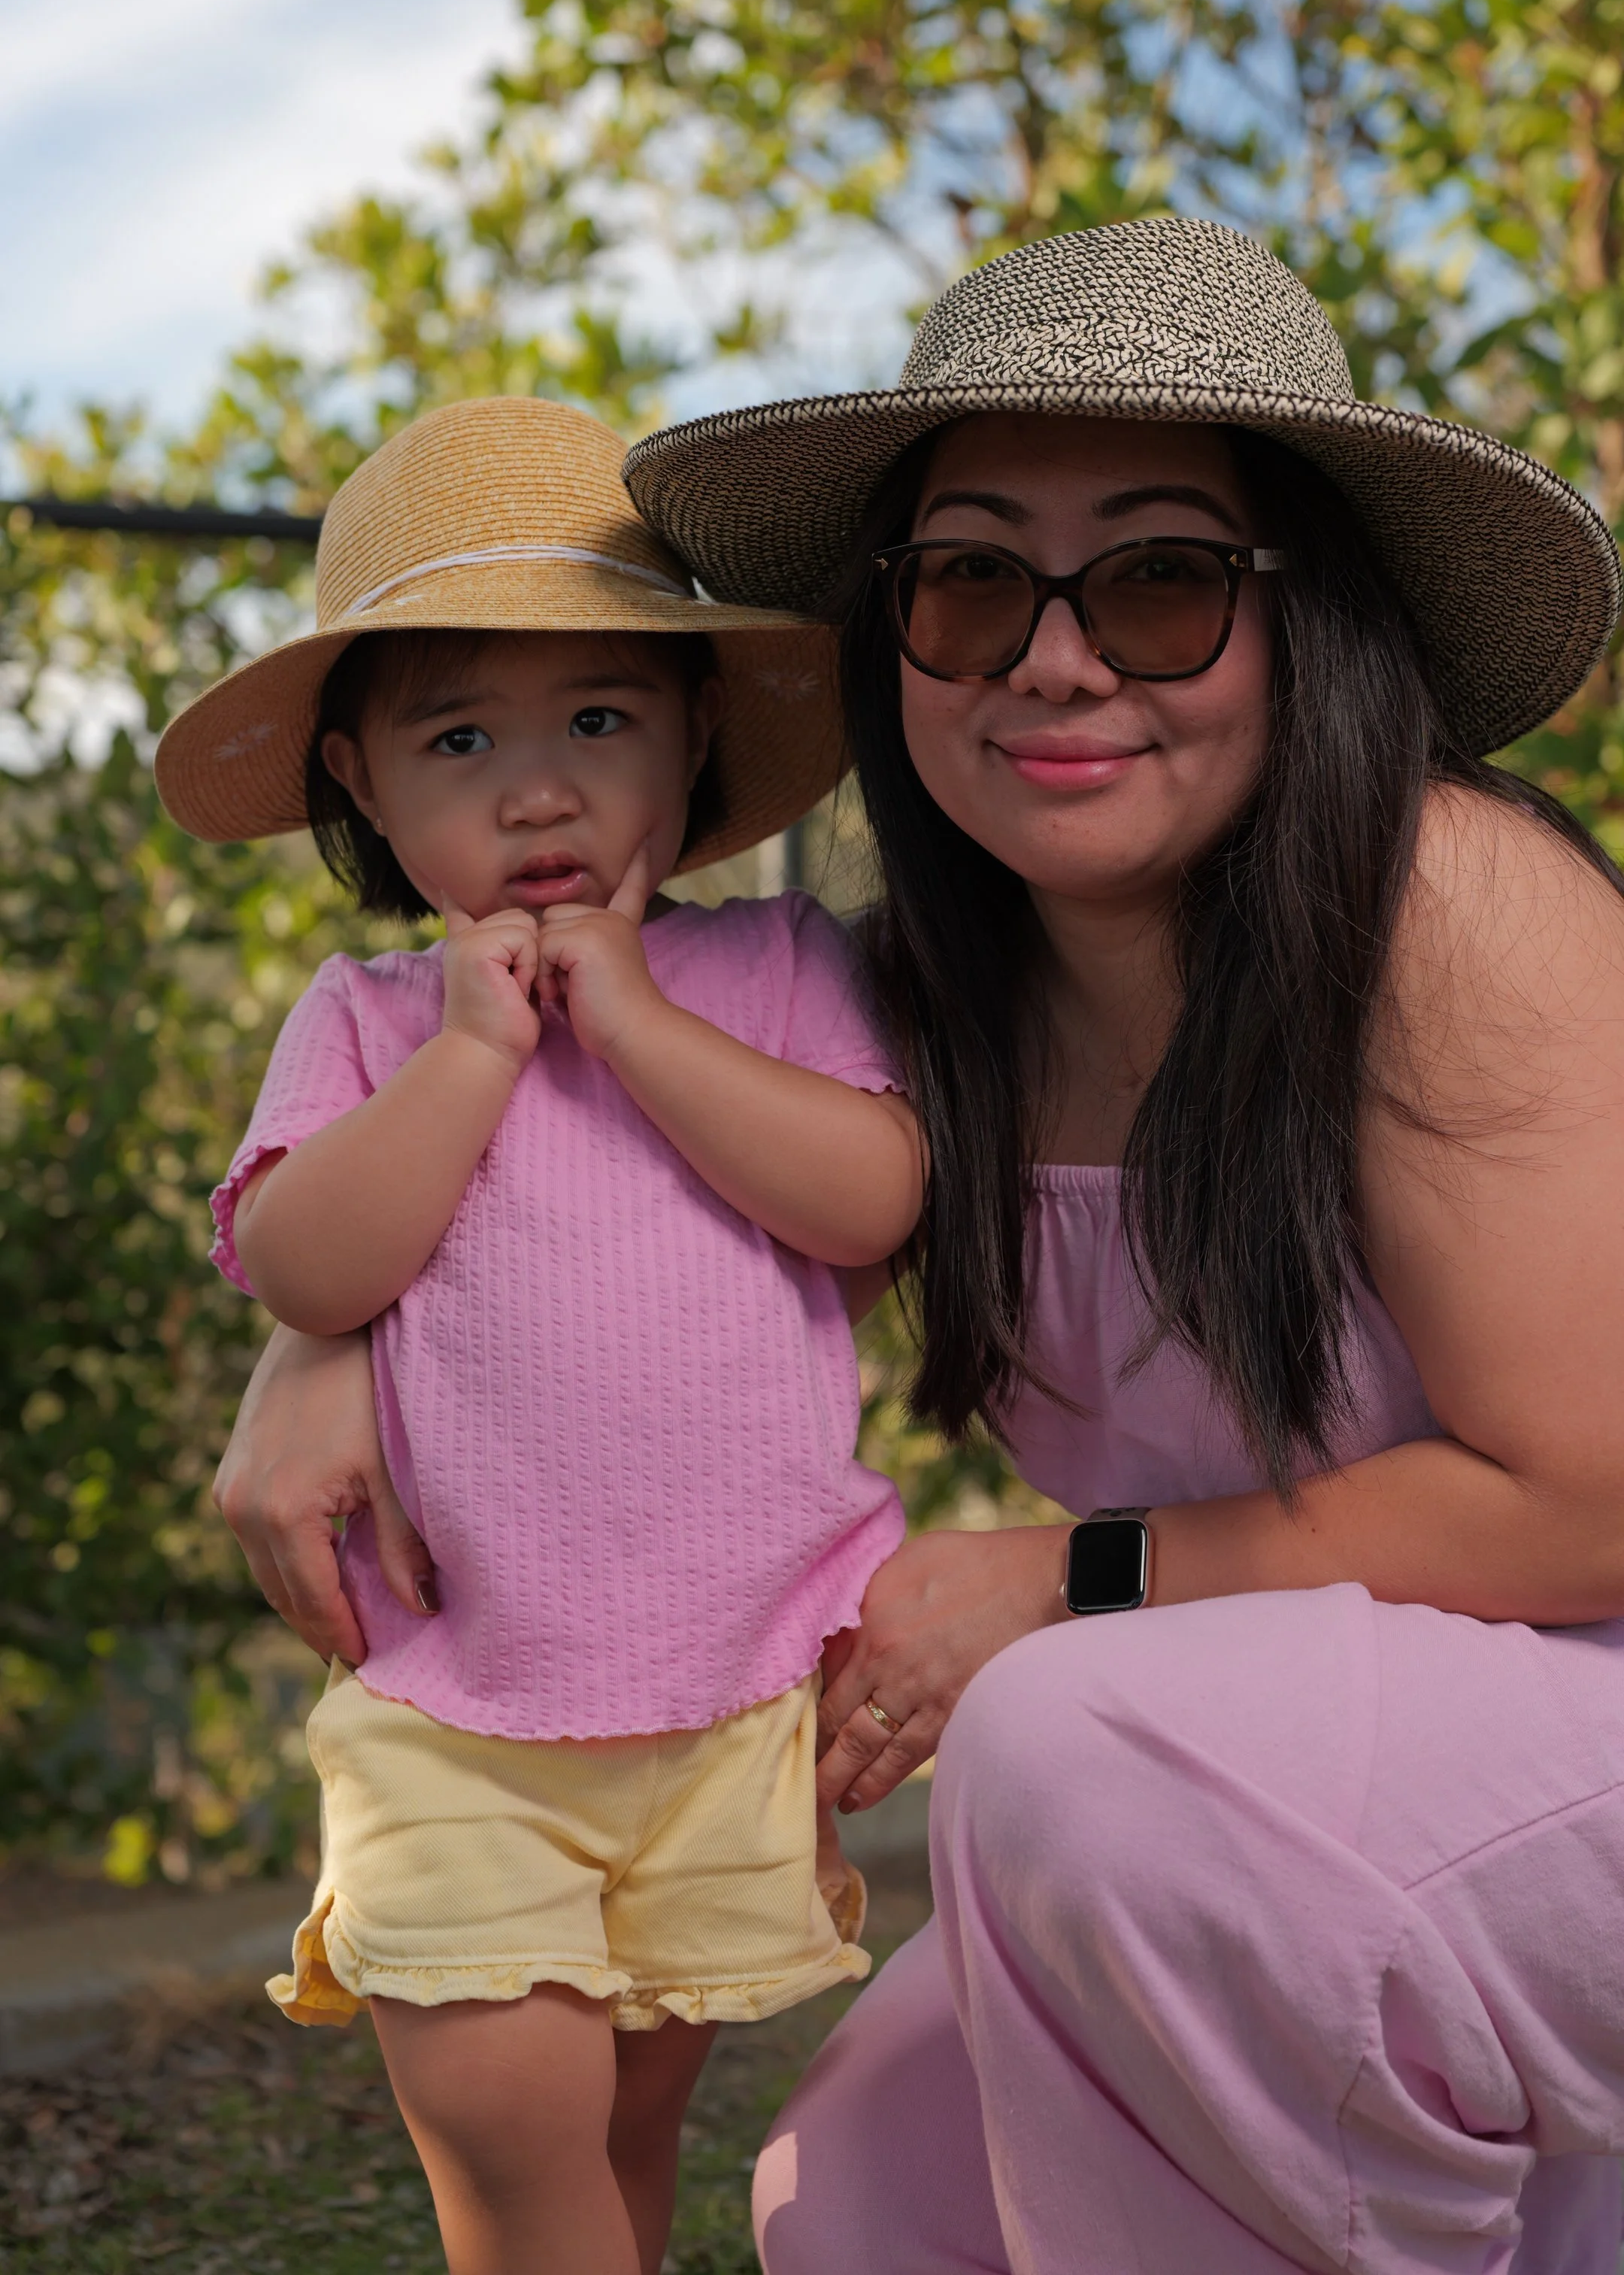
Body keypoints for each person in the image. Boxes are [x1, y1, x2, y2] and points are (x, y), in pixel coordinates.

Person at [618, 217, 1624, 2273]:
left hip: (1569, 1726)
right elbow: (546, 1143)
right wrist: (319, 1361)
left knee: (1078, 1750)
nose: (1051, 659)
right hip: (1291, 1789)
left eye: (1163, 580)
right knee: (854, 2196)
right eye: (973, 578)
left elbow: (1597, 1501)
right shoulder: (905, 1007)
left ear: (1304, 621)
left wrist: (1071, 1584)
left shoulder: (1445, 900)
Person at [154, 396, 923, 2275]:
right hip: (462, 1700)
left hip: (729, 1681)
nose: (536, 791)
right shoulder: (367, 1017)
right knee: (507, 2116)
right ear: (363, 781)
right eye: (458, 738)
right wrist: (483, 1054)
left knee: (633, 2108)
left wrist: (640, 1022)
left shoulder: (773, 973)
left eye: (597, 719)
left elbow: (869, 1199)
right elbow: (314, 1267)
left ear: (692, 737)